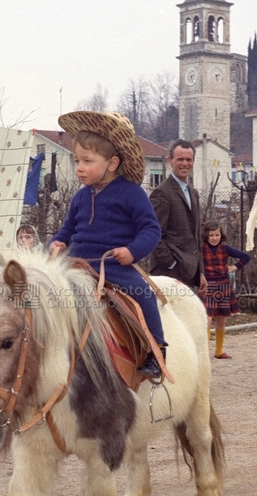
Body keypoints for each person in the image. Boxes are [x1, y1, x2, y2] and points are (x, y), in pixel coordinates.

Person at [49, 111, 166, 379]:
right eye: (77, 160)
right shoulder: (80, 197)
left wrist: (132, 251)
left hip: (112, 265)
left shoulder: (132, 193)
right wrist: (57, 242)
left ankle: (156, 350)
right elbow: (68, 228)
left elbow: (150, 229)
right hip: (76, 264)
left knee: (143, 293)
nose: (79, 167)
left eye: (87, 161)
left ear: (112, 163)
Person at [149, 140, 207, 298]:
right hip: (167, 274)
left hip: (189, 273)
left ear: (193, 161)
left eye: (189, 160)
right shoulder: (162, 193)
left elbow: (195, 237)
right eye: (180, 159)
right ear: (170, 161)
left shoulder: (193, 193)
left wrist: (200, 271)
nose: (185, 163)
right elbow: (154, 236)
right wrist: (172, 265)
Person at [201, 221, 250, 359]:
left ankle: (219, 350)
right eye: (211, 235)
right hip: (207, 286)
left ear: (221, 235)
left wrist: (235, 267)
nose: (214, 238)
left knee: (221, 319)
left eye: (217, 234)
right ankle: (204, 353)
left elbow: (246, 257)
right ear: (206, 235)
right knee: (207, 318)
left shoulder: (225, 248)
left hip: (223, 285)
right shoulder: (201, 249)